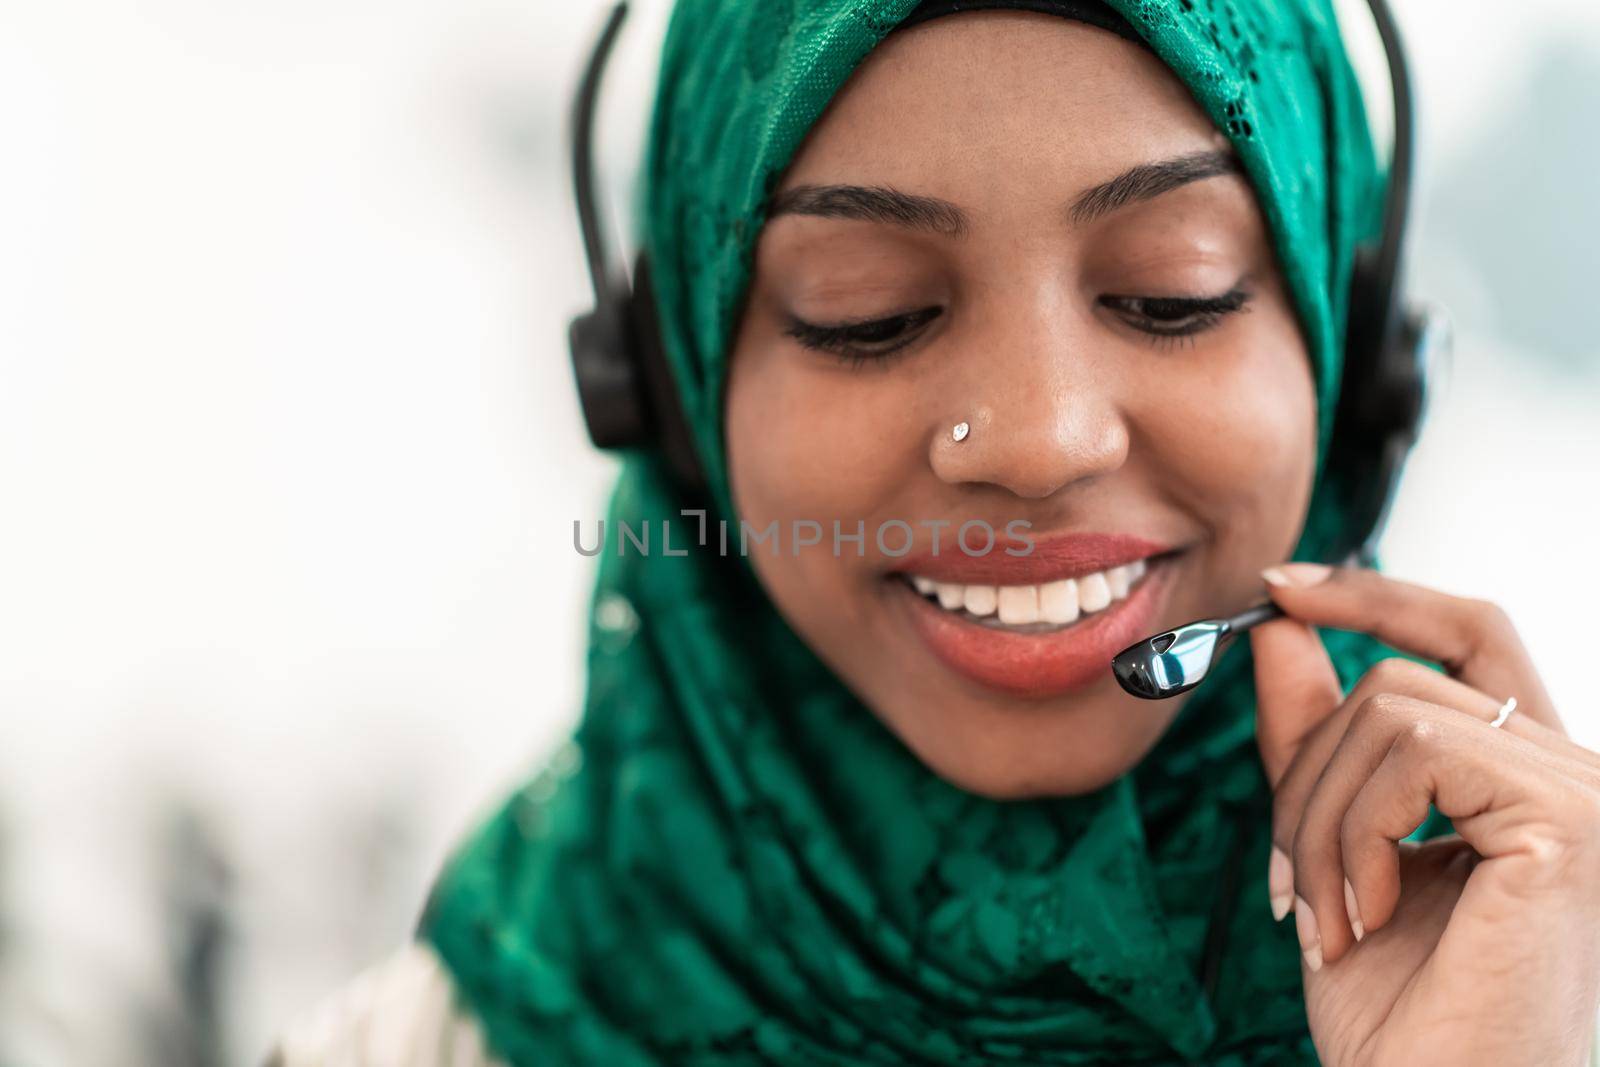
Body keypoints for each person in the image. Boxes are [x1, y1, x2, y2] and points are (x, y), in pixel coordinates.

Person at [270, 1, 1600, 1064]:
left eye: (1170, 293)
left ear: (1351, 355)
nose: (1036, 440)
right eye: (869, 312)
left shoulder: (1545, 992)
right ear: (669, 393)